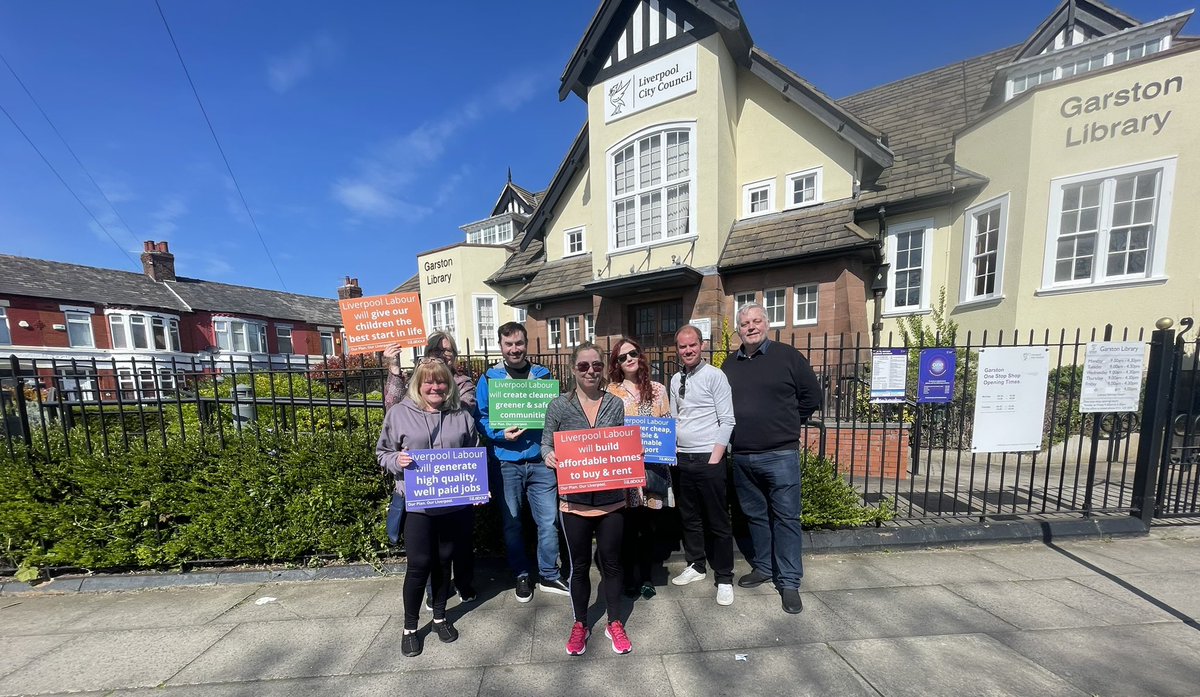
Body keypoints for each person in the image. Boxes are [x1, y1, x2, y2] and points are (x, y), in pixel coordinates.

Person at [720, 302, 821, 615]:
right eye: (745, 323)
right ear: (738, 329)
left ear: (767, 324)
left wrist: (787, 423)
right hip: (743, 455)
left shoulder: (787, 356)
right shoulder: (730, 364)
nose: (751, 327)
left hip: (780, 454)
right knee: (755, 516)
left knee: (787, 518)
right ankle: (764, 567)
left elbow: (812, 398)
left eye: (756, 321)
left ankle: (789, 581)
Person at [376, 358, 478, 657]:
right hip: (417, 505)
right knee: (419, 564)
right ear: (418, 385)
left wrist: (475, 484)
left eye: (441, 381)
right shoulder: (399, 413)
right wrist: (397, 461)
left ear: (449, 385)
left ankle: (440, 617)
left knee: (444, 561)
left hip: (452, 505)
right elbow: (383, 452)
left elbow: (473, 451)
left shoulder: (462, 416)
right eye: (429, 382)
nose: (435, 387)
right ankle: (410, 627)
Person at [543, 343, 633, 656]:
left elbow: (620, 444)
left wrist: (633, 457)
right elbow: (545, 444)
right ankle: (580, 623)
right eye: (583, 366)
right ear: (572, 369)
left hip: (611, 501)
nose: (591, 371)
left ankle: (615, 621)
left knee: (612, 564)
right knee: (579, 566)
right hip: (574, 501)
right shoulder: (558, 406)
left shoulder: (615, 405)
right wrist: (549, 456)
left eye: (596, 365)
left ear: (603, 368)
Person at [476, 322, 569, 601]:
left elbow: (554, 414)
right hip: (506, 463)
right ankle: (521, 575)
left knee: (549, 520)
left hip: (541, 460)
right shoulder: (489, 378)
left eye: (518, 343)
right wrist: (499, 433)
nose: (514, 349)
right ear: (501, 347)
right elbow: (480, 418)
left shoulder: (543, 376)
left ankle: (549, 575)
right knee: (512, 523)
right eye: (508, 344)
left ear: (526, 344)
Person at [668, 324, 737, 606]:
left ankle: (724, 577)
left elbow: (728, 420)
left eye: (692, 345)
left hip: (709, 458)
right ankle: (696, 565)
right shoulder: (675, 380)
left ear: (702, 345)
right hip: (683, 459)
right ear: (678, 350)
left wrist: (715, 459)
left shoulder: (715, 376)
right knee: (690, 518)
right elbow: (674, 419)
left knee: (718, 521)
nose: (688, 350)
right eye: (683, 347)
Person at [605, 336, 671, 600]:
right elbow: (608, 430)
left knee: (649, 528)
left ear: (640, 356)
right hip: (626, 473)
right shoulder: (611, 392)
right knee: (628, 528)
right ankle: (629, 578)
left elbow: (666, 424)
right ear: (617, 364)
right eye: (622, 357)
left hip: (653, 470)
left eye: (632, 354)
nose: (629, 359)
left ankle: (646, 577)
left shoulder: (658, 389)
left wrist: (665, 446)